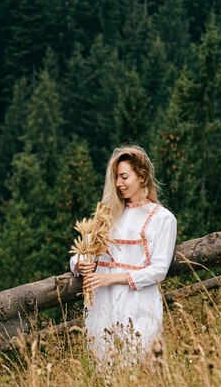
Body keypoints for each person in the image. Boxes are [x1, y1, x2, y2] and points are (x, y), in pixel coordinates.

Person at [69, 145, 177, 364]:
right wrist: (80, 264)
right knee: (104, 368)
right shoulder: (108, 215)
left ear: (142, 177)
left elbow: (158, 270)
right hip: (101, 304)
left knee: (137, 363)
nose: (118, 184)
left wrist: (111, 277)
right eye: (116, 178)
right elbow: (82, 252)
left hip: (138, 302)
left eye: (124, 177)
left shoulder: (162, 219)